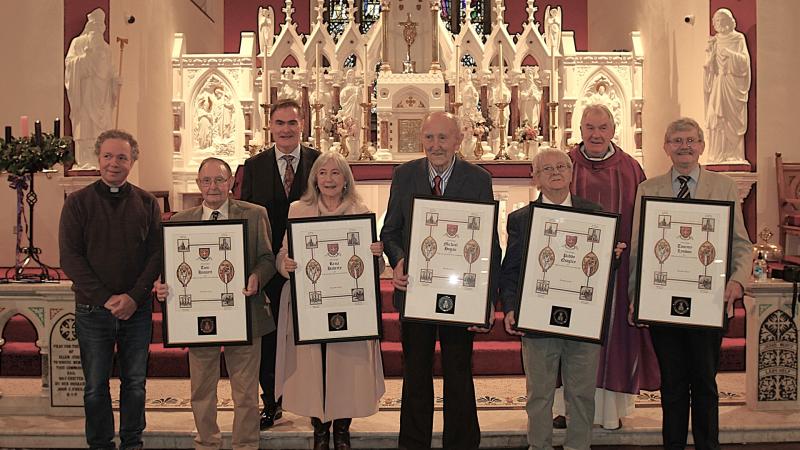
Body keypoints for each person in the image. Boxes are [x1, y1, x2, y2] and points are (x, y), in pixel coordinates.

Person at [628, 117, 751, 450]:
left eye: (690, 140)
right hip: (661, 303)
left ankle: (708, 446)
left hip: (709, 303)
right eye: (677, 140)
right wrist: (635, 296)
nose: (684, 146)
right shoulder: (648, 189)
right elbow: (639, 249)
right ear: (666, 147)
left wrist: (738, 282)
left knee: (705, 383)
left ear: (701, 146)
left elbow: (741, 243)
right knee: (672, 383)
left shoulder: (723, 187)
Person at [380, 111, 501, 450]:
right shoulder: (404, 175)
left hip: (461, 294)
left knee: (459, 372)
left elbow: (489, 241)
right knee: (415, 373)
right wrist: (399, 258)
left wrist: (488, 298)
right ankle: (413, 444)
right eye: (430, 138)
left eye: (443, 138)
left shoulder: (477, 178)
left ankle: (461, 443)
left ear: (458, 140)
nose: (436, 145)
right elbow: (390, 231)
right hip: (415, 291)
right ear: (423, 140)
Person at [500, 148, 625, 450]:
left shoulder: (595, 215)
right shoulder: (521, 219)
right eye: (546, 169)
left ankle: (578, 446)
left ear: (572, 173)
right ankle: (538, 446)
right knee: (539, 394)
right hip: (537, 317)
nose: (555, 173)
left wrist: (613, 257)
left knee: (581, 393)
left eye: (561, 167)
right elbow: (510, 270)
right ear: (535, 177)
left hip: (582, 319)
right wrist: (512, 307)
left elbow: (597, 269)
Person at [154, 157, 276, 450]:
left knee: (245, 391)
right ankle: (207, 442)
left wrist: (257, 277)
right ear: (198, 184)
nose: (213, 187)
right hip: (197, 318)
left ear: (231, 182)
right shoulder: (180, 222)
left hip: (245, 314)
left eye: (219, 180)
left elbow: (268, 259)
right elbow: (171, 269)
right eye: (206, 180)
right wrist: (162, 287)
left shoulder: (255, 214)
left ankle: (246, 444)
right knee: (201, 389)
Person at [554, 104, 659, 430]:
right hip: (570, 270)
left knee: (613, 336)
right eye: (589, 127)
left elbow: (642, 222)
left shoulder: (630, 168)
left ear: (613, 130)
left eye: (602, 128)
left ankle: (609, 411)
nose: (596, 134)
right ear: (580, 129)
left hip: (618, 269)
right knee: (569, 332)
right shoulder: (564, 164)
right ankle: (565, 408)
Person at [274, 152, 385, 450]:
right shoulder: (298, 210)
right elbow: (282, 255)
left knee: (345, 367)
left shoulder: (359, 211)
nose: (329, 179)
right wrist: (287, 266)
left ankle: (342, 430)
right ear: (315, 179)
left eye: (336, 173)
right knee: (314, 366)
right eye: (323, 173)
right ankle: (320, 430)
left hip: (349, 305)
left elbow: (374, 268)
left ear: (346, 179)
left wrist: (376, 255)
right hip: (310, 304)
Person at [59, 130, 161, 450]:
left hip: (138, 310)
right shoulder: (78, 202)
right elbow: (70, 258)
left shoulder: (146, 203)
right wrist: (106, 298)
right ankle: (100, 445)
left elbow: (157, 255)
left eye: (121, 157)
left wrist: (134, 297)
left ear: (132, 161)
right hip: (93, 310)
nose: (113, 163)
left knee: (135, 384)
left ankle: (132, 442)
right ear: (98, 157)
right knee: (95, 386)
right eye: (108, 156)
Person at [240, 98, 321, 429]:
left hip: (311, 265)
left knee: (312, 335)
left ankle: (316, 402)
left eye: (292, 123)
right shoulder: (255, 165)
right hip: (268, 264)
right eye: (280, 123)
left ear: (302, 124)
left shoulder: (319, 162)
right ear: (270, 126)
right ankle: (271, 401)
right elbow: (246, 216)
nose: (286, 129)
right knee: (270, 336)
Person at [64, 8, 117, 170]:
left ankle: (102, 158)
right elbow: (70, 64)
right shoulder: (78, 43)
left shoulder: (106, 49)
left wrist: (115, 82)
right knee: (85, 125)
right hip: (85, 94)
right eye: (96, 25)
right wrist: (83, 61)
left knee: (102, 129)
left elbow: (110, 72)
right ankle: (85, 160)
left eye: (102, 25)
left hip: (102, 97)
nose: (99, 28)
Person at [704, 8, 751, 164]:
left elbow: (744, 62)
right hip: (719, 83)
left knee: (731, 119)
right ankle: (717, 154)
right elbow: (709, 68)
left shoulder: (738, 38)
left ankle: (734, 155)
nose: (719, 24)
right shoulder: (714, 40)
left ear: (730, 22)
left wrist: (730, 54)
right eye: (716, 21)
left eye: (722, 20)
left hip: (732, 84)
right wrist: (710, 59)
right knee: (716, 117)